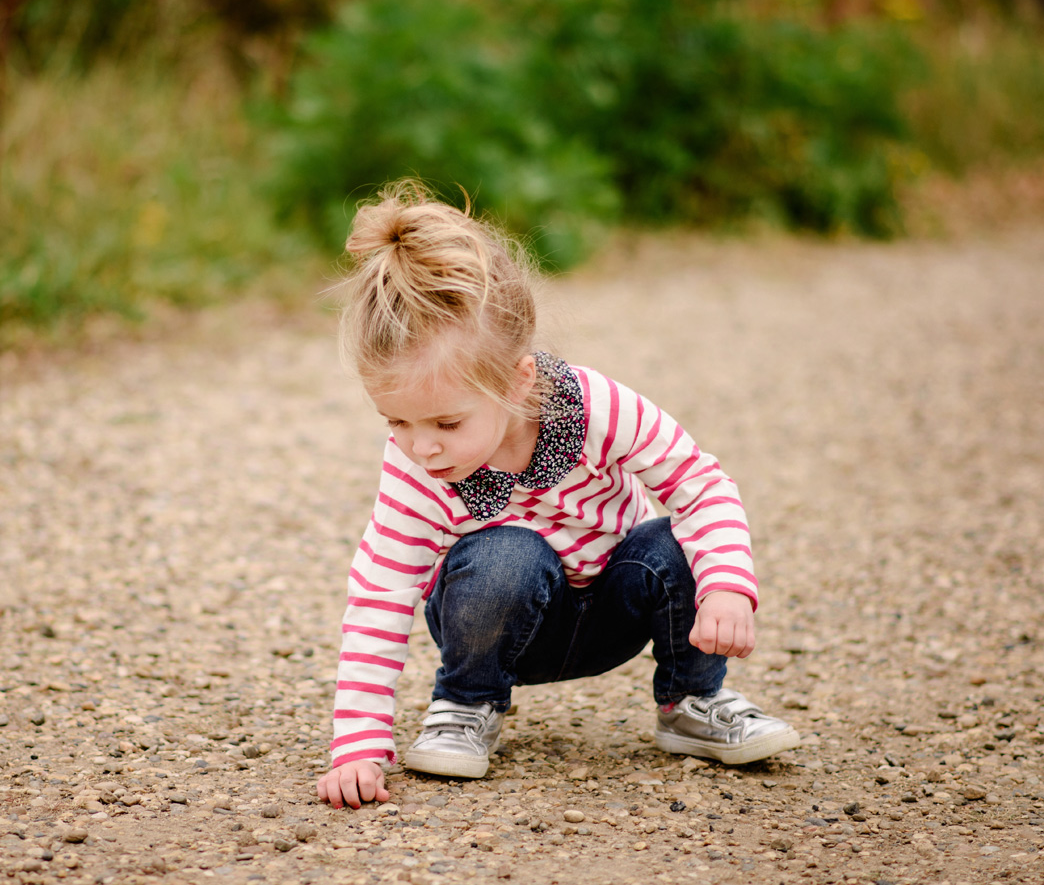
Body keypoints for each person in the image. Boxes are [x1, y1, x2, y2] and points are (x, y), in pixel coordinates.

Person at [315, 182, 798, 811]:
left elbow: (700, 485)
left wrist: (728, 584)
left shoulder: (598, 409)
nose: (420, 448)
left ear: (517, 382)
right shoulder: (417, 470)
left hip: (610, 609)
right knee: (506, 553)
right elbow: (381, 592)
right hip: (498, 622)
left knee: (675, 541)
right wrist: (358, 747)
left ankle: (691, 702)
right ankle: (467, 704)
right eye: (396, 422)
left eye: (446, 423)